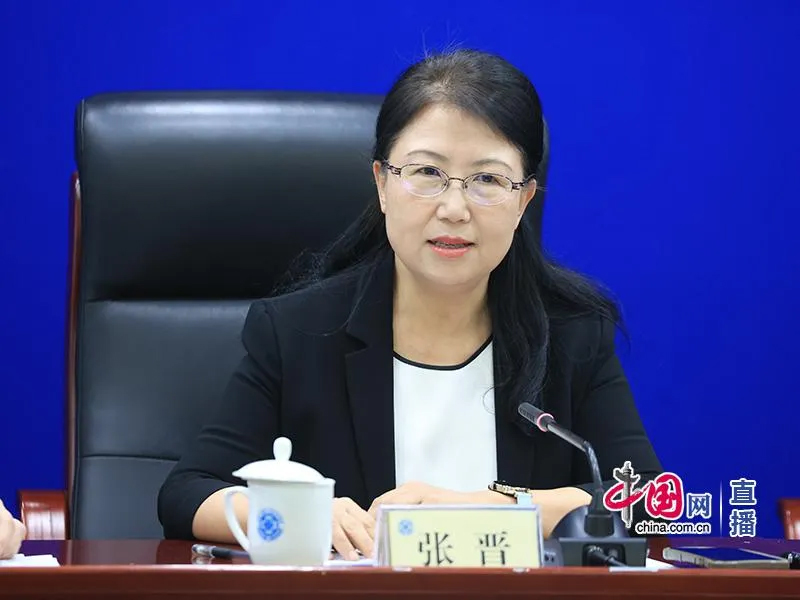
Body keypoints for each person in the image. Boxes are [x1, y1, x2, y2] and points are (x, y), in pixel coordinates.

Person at [158, 48, 662, 559]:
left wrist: (494, 507)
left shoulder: (572, 333)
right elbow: (187, 494)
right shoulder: (300, 332)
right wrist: (298, 514)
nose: (454, 208)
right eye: (427, 173)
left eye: (488, 180)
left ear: (523, 201)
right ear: (382, 183)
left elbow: (646, 501)